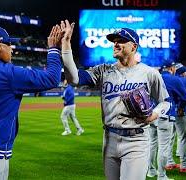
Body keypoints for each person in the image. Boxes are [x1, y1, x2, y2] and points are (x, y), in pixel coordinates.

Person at [61, 23, 170, 180]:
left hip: (136, 140)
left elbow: (166, 102)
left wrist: (154, 115)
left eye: (121, 40)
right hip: (109, 139)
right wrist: (66, 45)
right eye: (114, 41)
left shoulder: (149, 73)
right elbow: (74, 78)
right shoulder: (103, 70)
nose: (116, 44)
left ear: (133, 47)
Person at [0, 22, 66, 179]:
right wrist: (54, 49)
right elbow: (52, 79)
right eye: (8, 44)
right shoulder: (7, 74)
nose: (12, 49)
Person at [147, 62, 186, 179]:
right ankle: (161, 176)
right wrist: (180, 107)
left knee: (152, 143)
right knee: (163, 146)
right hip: (165, 115)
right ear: (172, 68)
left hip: (151, 115)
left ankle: (151, 171)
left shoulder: (153, 78)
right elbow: (185, 98)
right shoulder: (174, 79)